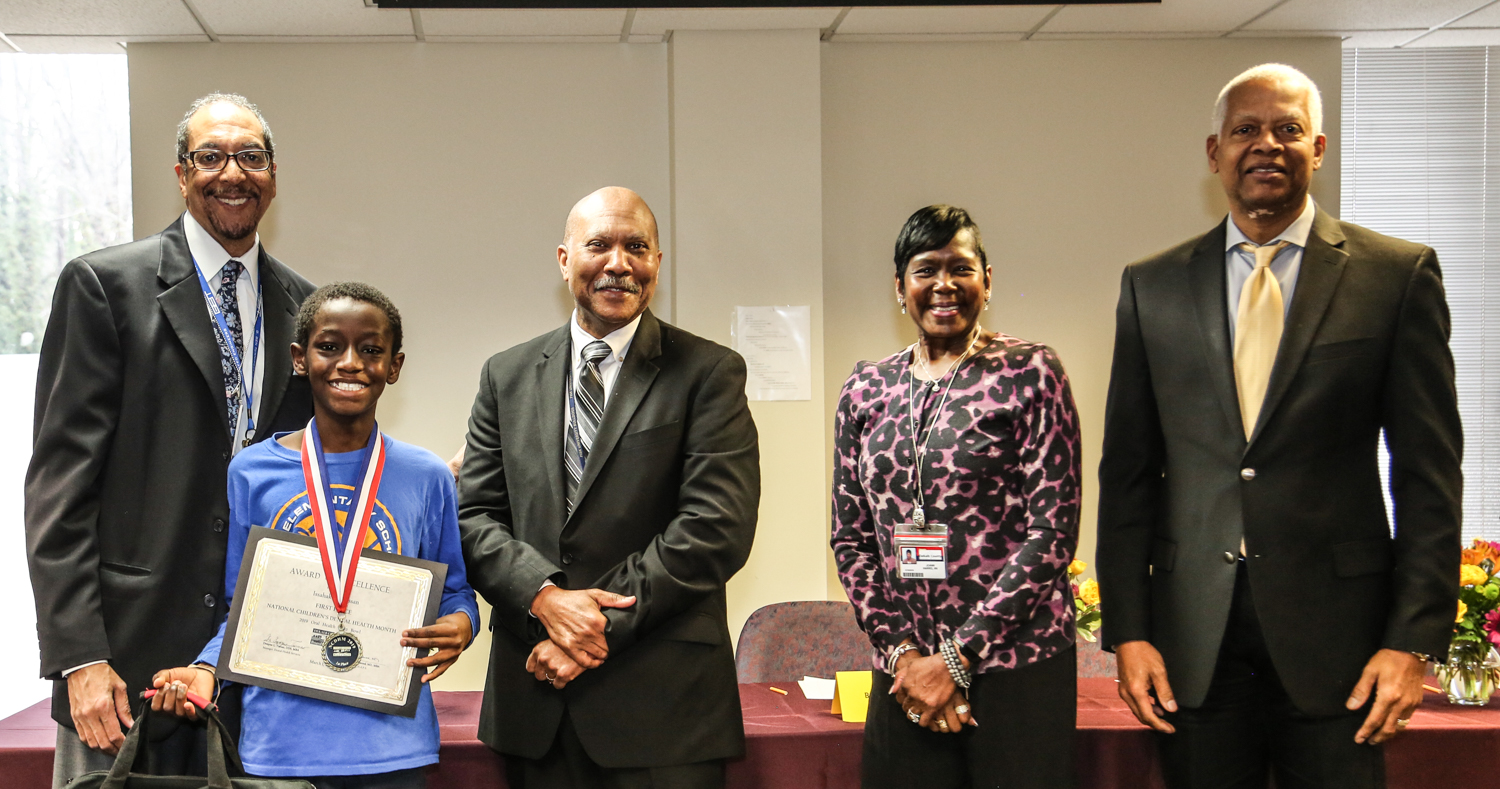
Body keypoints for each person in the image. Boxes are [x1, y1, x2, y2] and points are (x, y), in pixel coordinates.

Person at [1097, 63, 1463, 789]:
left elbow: (1428, 475)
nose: (1266, 144)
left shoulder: (1396, 275)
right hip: (1194, 643)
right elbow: (1129, 474)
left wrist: (1413, 640)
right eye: (1246, 130)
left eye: (1287, 129)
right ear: (1215, 153)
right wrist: (1129, 631)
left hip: (1343, 647)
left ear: (1318, 148)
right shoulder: (1152, 285)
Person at [25, 93, 316, 786]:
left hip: (252, 666)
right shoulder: (105, 286)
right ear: (182, 174)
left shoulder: (305, 308)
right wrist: (79, 656)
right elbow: (60, 488)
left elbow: (309, 477)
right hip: (123, 667)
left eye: (250, 156)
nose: (232, 173)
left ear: (274, 175)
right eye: (211, 156)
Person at [457, 186, 760, 789]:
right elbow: (475, 517)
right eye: (599, 245)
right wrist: (545, 597)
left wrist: (587, 630)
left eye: (636, 248)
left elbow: (714, 527)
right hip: (535, 705)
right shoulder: (505, 375)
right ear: (565, 259)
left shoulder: (708, 372)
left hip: (664, 712)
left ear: (657, 263)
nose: (618, 263)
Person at [150, 282, 479, 789]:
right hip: (280, 748)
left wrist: (461, 624)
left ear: (394, 366)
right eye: (329, 346)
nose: (350, 363)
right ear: (300, 359)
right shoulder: (252, 473)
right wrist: (207, 669)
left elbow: (455, 591)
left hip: (392, 748)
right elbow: (243, 608)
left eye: (371, 350)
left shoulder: (426, 476)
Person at [831, 205, 1082, 789]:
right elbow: (850, 539)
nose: (944, 284)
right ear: (900, 288)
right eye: (925, 270)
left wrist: (956, 659)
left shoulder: (1030, 372)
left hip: (1016, 668)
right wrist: (904, 655)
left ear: (986, 281)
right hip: (905, 674)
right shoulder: (866, 388)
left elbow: (1052, 532)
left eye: (960, 268)